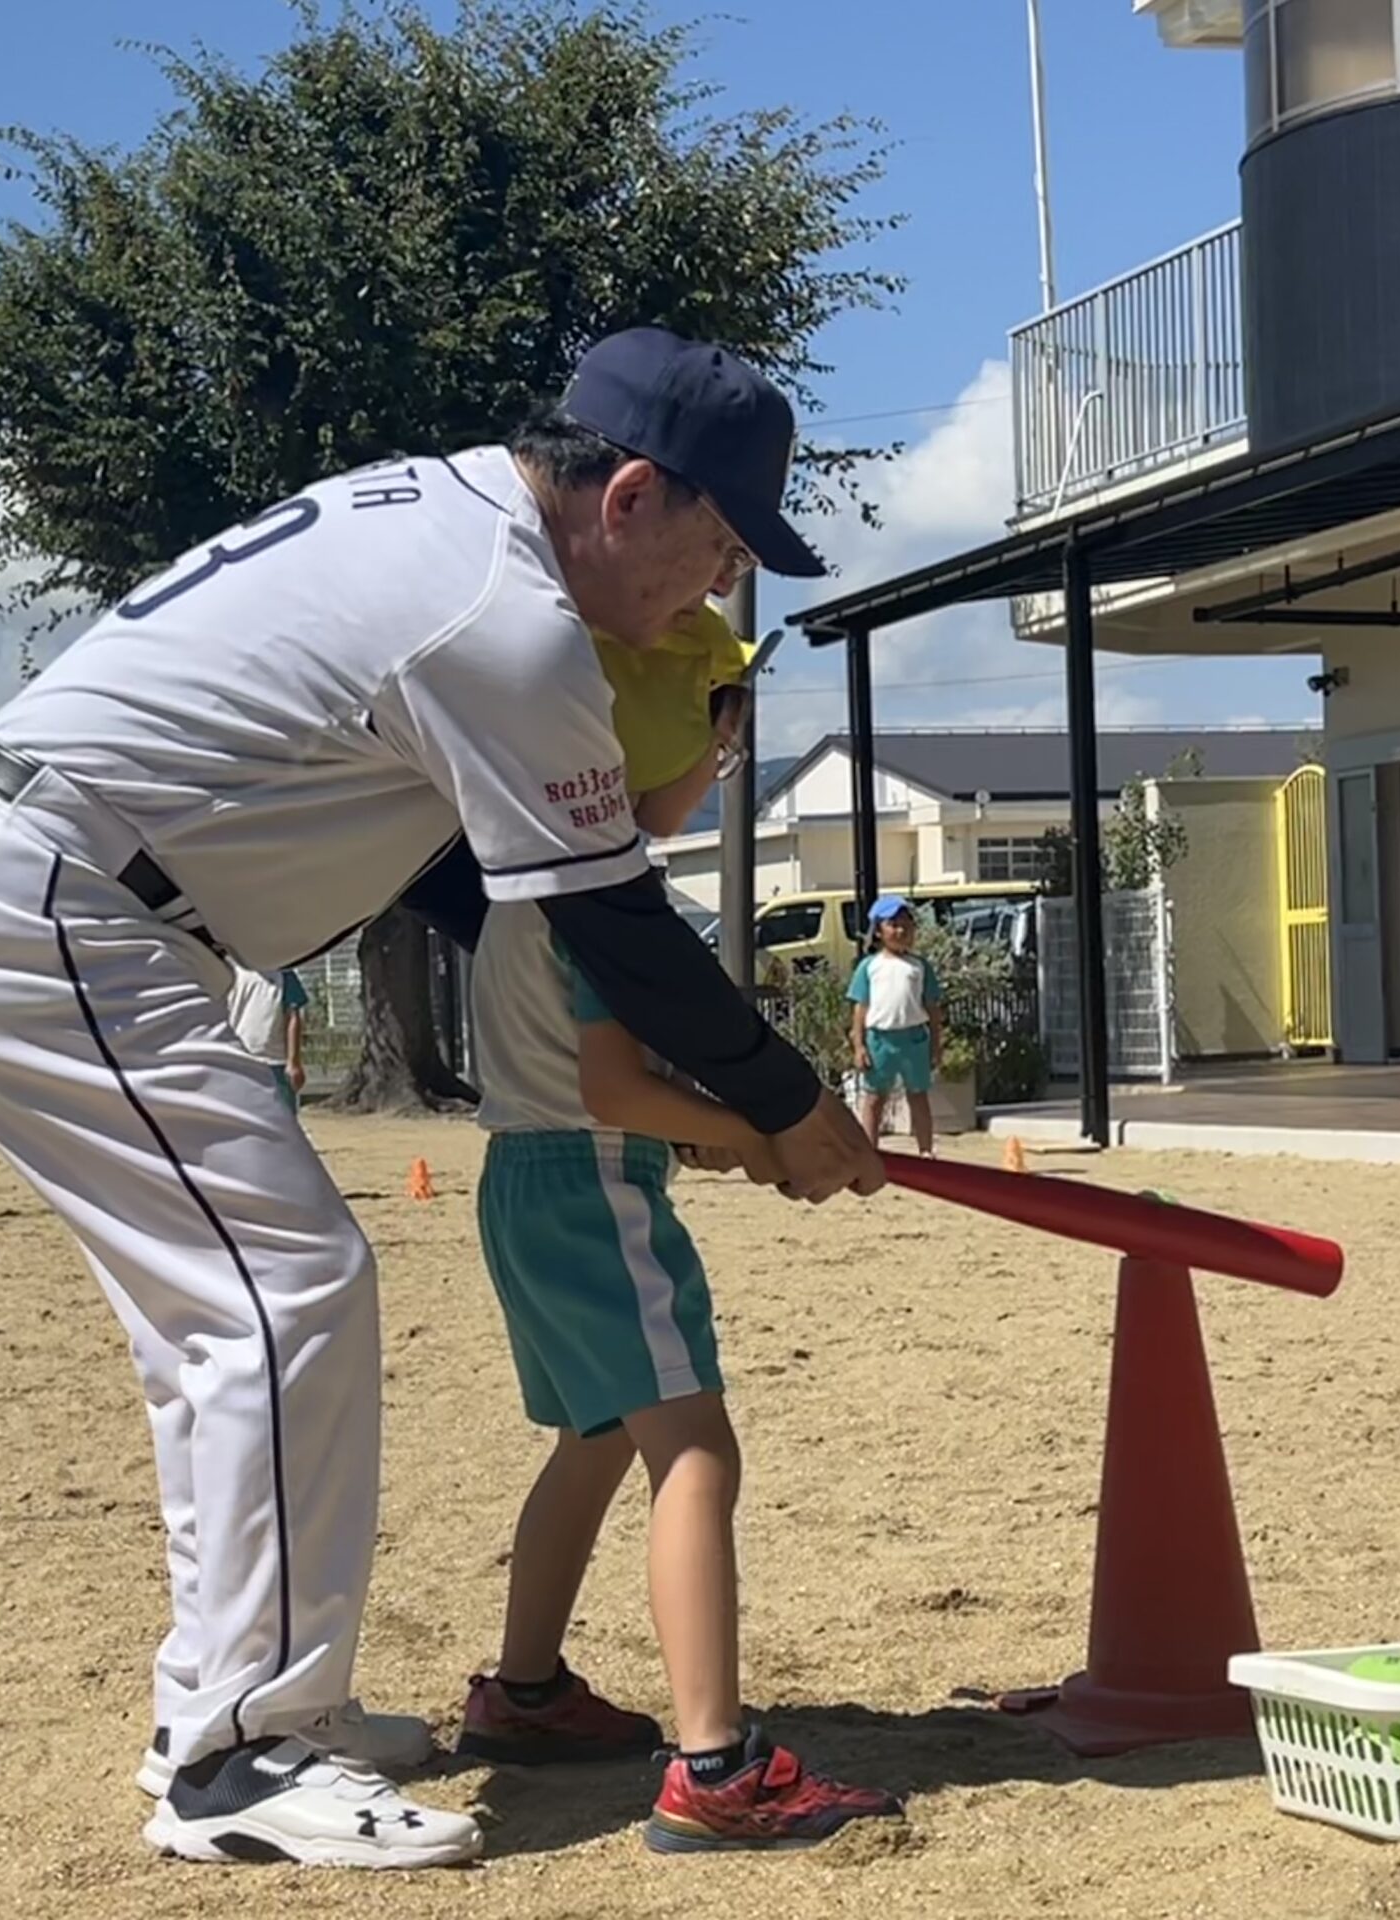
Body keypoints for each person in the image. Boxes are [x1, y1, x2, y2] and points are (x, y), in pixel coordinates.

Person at [0, 325, 884, 1870]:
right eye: (719, 545)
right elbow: (615, 921)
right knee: (282, 1295)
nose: (720, 593)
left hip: (64, 891)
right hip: (56, 897)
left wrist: (732, 1101)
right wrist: (784, 1100)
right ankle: (234, 1762)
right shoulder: (512, 622)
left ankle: (237, 1703)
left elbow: (501, 898)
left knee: (235, 1319)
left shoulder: (445, 515)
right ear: (626, 498)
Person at [455, 671, 902, 1850]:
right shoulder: (603, 900)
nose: (714, 778)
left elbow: (586, 1082)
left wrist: (701, 1128)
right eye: (715, 756)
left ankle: (526, 1693)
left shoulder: (514, 888)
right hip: (595, 1190)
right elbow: (608, 1088)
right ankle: (715, 1764)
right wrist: (757, 1127)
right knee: (694, 1447)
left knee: (597, 1435)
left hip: (524, 1180)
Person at [850, 897, 944, 1157]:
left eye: (906, 925)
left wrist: (936, 1044)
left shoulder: (920, 967)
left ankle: (925, 1150)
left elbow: (933, 1008)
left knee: (918, 1095)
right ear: (879, 930)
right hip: (879, 1040)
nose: (901, 931)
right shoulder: (869, 967)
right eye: (893, 925)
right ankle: (869, 1151)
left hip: (914, 1039)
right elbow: (860, 1008)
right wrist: (859, 1045)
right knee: (874, 1098)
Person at [224, 966, 311, 1111]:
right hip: (238, 1060)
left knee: (282, 1119)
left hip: (275, 1063)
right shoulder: (229, 972)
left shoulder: (284, 974)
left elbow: (293, 1016)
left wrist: (293, 1062)